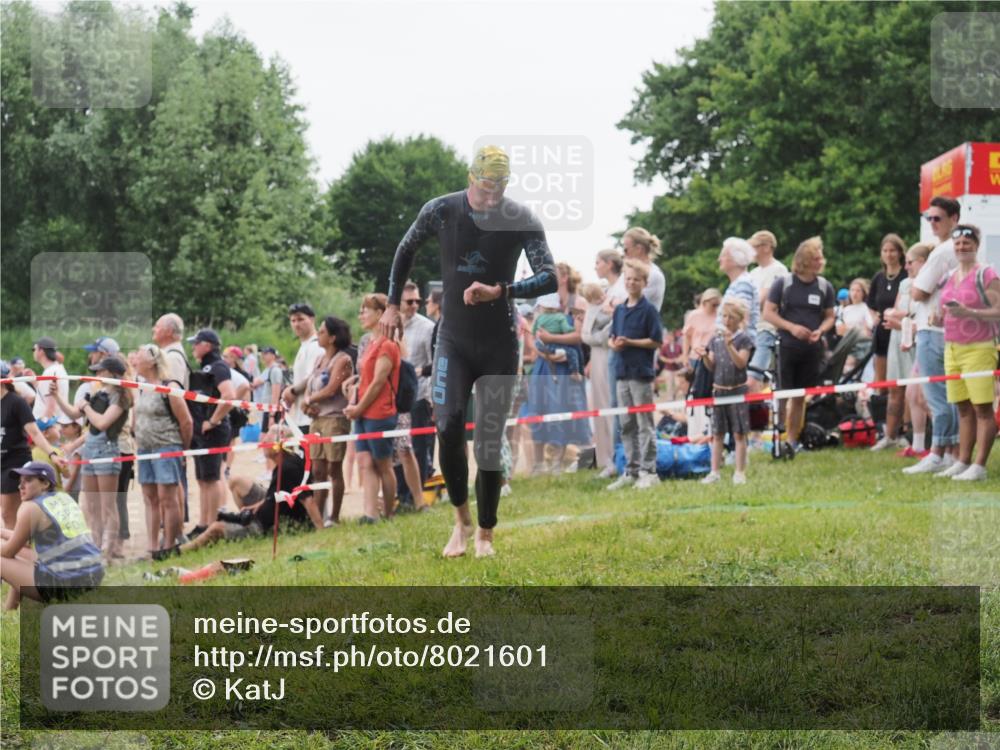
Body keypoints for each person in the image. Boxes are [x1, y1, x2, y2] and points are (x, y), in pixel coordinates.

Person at [381, 145, 557, 557]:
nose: (491, 197)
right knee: (447, 427)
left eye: (499, 189)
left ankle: (486, 533)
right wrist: (391, 303)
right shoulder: (441, 211)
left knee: (491, 442)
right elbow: (405, 250)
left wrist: (503, 291)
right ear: (470, 178)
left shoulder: (520, 219)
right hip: (453, 343)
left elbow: (550, 275)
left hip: (499, 342)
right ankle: (460, 521)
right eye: (484, 188)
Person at [935, 225, 1000, 481]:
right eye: (958, 243)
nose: (962, 247)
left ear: (977, 244)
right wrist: (937, 316)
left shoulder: (986, 274)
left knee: (982, 407)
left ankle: (980, 465)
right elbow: (944, 308)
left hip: (979, 347)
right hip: (952, 346)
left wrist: (971, 313)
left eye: (967, 243)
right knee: (962, 408)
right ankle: (963, 461)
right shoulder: (949, 276)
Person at [50, 357, 130, 559]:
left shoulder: (121, 396)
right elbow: (73, 413)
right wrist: (58, 396)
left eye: (100, 372)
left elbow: (102, 423)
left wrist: (85, 406)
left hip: (107, 450)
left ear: (112, 373)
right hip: (90, 450)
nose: (96, 376)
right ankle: (95, 547)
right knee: (92, 505)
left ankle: (108, 552)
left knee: (108, 505)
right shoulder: (99, 393)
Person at [904, 196, 962, 475]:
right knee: (947, 395)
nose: (932, 224)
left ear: (954, 219)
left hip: (933, 329)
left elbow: (918, 291)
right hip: (946, 329)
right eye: (930, 218)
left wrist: (918, 285)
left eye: (937, 218)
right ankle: (949, 452)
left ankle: (938, 452)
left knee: (936, 397)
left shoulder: (942, 252)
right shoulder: (954, 249)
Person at [762, 237, 836, 452]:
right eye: (815, 257)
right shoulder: (783, 283)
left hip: (811, 349)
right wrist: (791, 327)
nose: (820, 261)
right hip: (787, 346)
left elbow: (830, 316)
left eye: (820, 257)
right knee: (783, 394)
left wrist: (820, 330)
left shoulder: (824, 286)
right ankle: (777, 434)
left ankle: (792, 441)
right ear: (804, 260)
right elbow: (768, 312)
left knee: (800, 396)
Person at [0, 461, 104, 610]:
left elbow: (9, 551)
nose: (20, 487)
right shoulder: (64, 499)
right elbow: (25, 544)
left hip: (66, 583)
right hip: (92, 576)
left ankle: (8, 612)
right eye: (20, 481)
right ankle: (8, 612)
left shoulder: (30, 507)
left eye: (28, 481)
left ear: (45, 484)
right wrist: (2, 532)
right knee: (23, 555)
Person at [180, 445, 321, 552]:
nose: (262, 445)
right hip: (264, 516)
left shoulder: (288, 468)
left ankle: (180, 551)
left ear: (277, 447)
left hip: (264, 525)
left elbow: (307, 499)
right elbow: (274, 496)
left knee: (216, 528)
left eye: (267, 441)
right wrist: (256, 506)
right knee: (236, 487)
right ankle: (240, 523)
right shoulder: (287, 463)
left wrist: (321, 530)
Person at [606, 259, 663, 491]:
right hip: (622, 371)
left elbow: (656, 340)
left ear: (644, 283)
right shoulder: (619, 310)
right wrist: (614, 344)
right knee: (626, 424)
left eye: (636, 280)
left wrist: (630, 342)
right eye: (628, 279)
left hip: (640, 372)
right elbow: (611, 336)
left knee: (644, 423)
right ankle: (631, 469)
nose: (631, 283)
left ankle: (649, 470)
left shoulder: (648, 310)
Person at [133, 344, 192, 559]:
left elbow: (186, 422)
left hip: (167, 447)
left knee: (168, 498)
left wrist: (182, 450)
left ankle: (169, 545)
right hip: (145, 449)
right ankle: (152, 547)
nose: (135, 360)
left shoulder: (169, 386)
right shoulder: (140, 387)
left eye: (138, 356)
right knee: (149, 498)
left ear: (152, 361)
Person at [346, 294, 401, 523]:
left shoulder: (388, 345)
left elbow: (379, 382)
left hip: (379, 413)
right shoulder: (369, 343)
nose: (361, 314)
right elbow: (367, 378)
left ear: (380, 313)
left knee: (383, 465)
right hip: (362, 412)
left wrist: (358, 407)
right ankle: (370, 513)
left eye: (365, 309)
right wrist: (354, 392)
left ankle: (388, 512)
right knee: (365, 463)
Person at [303, 316, 354, 524]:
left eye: (322, 331)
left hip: (334, 419)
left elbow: (332, 388)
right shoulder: (319, 360)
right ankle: (319, 517)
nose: (318, 334)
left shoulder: (343, 360)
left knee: (334, 468)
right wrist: (307, 405)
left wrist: (309, 399)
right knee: (317, 469)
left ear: (332, 337)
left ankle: (334, 516)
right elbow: (311, 385)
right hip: (317, 420)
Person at [1, 362, 64, 529]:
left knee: (9, 514)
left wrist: (52, 454)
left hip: (14, 462)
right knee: (6, 514)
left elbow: (34, 432)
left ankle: (16, 551)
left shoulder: (16, 402)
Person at [185, 329, 236, 536]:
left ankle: (212, 525)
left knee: (212, 478)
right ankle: (203, 523)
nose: (193, 347)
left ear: (207, 345)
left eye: (196, 343)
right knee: (202, 479)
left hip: (214, 430)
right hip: (201, 431)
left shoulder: (218, 366)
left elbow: (229, 395)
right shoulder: (205, 367)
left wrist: (213, 421)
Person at [884, 244, 933, 458]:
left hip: (928, 343)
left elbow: (925, 320)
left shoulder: (930, 284)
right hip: (913, 341)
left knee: (929, 399)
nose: (906, 266)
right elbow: (903, 314)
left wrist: (903, 323)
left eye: (910, 262)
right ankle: (919, 446)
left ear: (923, 262)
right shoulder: (907, 285)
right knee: (913, 394)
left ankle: (948, 445)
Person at [699, 300, 754, 485]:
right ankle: (714, 471)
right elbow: (711, 365)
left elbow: (741, 363)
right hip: (719, 391)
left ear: (739, 319)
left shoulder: (743, 339)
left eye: (731, 316)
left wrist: (730, 345)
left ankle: (739, 471)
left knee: (739, 433)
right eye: (724, 316)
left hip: (737, 391)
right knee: (717, 434)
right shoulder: (715, 339)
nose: (727, 320)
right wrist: (705, 355)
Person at [867, 233, 909, 450]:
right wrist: (874, 316)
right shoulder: (878, 278)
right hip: (881, 335)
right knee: (881, 384)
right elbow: (871, 303)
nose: (889, 254)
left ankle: (903, 430)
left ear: (900, 252)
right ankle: (884, 430)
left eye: (893, 250)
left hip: (901, 333)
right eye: (885, 250)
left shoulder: (906, 276)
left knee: (902, 384)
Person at [400, 280, 436, 494]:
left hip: (420, 395)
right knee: (399, 447)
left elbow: (434, 364)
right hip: (396, 398)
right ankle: (402, 493)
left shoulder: (427, 327)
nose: (414, 305)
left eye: (417, 301)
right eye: (409, 301)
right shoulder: (391, 325)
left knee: (419, 447)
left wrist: (433, 400)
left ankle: (418, 494)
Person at [580, 280, 615, 475]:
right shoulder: (593, 310)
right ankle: (604, 457)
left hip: (606, 354)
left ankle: (612, 456)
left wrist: (599, 337)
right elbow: (586, 335)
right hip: (598, 355)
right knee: (600, 404)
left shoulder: (609, 304)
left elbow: (600, 334)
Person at [747, 230, 788, 389]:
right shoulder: (753, 273)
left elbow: (761, 298)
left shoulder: (778, 270)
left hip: (767, 329)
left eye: (754, 246)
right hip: (751, 329)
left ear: (767, 247)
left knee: (754, 378)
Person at [282, 303, 324, 433]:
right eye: (293, 320)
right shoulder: (304, 346)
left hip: (313, 417)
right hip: (301, 416)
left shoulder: (317, 345)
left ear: (312, 319)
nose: (296, 324)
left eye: (300, 319)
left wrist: (292, 391)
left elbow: (314, 376)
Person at [715, 237, 760, 339]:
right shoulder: (738, 283)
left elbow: (741, 317)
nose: (719, 259)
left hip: (738, 347)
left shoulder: (743, 284)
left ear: (736, 260)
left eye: (723, 255)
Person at [533, 292, 582, 380]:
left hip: (542, 349)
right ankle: (575, 372)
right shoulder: (560, 317)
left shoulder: (539, 318)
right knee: (572, 353)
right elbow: (567, 330)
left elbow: (534, 333)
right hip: (556, 349)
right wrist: (574, 328)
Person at [836, 279, 874, 371]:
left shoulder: (865, 308)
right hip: (847, 344)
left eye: (858, 290)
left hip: (861, 345)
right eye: (852, 290)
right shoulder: (845, 310)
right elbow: (839, 330)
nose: (855, 293)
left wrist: (849, 329)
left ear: (863, 293)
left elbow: (870, 326)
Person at [30, 336, 69, 424]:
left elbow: (50, 409)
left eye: (34, 349)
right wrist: (35, 383)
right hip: (55, 424)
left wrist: (40, 428)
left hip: (47, 427)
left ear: (41, 351)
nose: (33, 352)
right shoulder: (59, 369)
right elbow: (47, 395)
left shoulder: (50, 372)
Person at [683, 289, 722, 369]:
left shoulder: (721, 316)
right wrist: (685, 356)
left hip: (715, 358)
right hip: (697, 357)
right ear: (705, 302)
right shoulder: (694, 315)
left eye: (718, 305)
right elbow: (687, 337)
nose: (716, 308)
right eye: (713, 305)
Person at [152, 313, 190, 388]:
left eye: (157, 326)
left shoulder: (173, 357)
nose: (153, 329)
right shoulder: (170, 354)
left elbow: (174, 393)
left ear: (169, 331)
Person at [253, 346, 283, 433]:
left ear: (273, 356)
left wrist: (272, 416)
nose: (263, 356)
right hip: (267, 408)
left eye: (266, 353)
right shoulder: (268, 369)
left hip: (272, 410)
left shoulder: (275, 370)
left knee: (268, 439)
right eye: (262, 353)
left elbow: (275, 394)